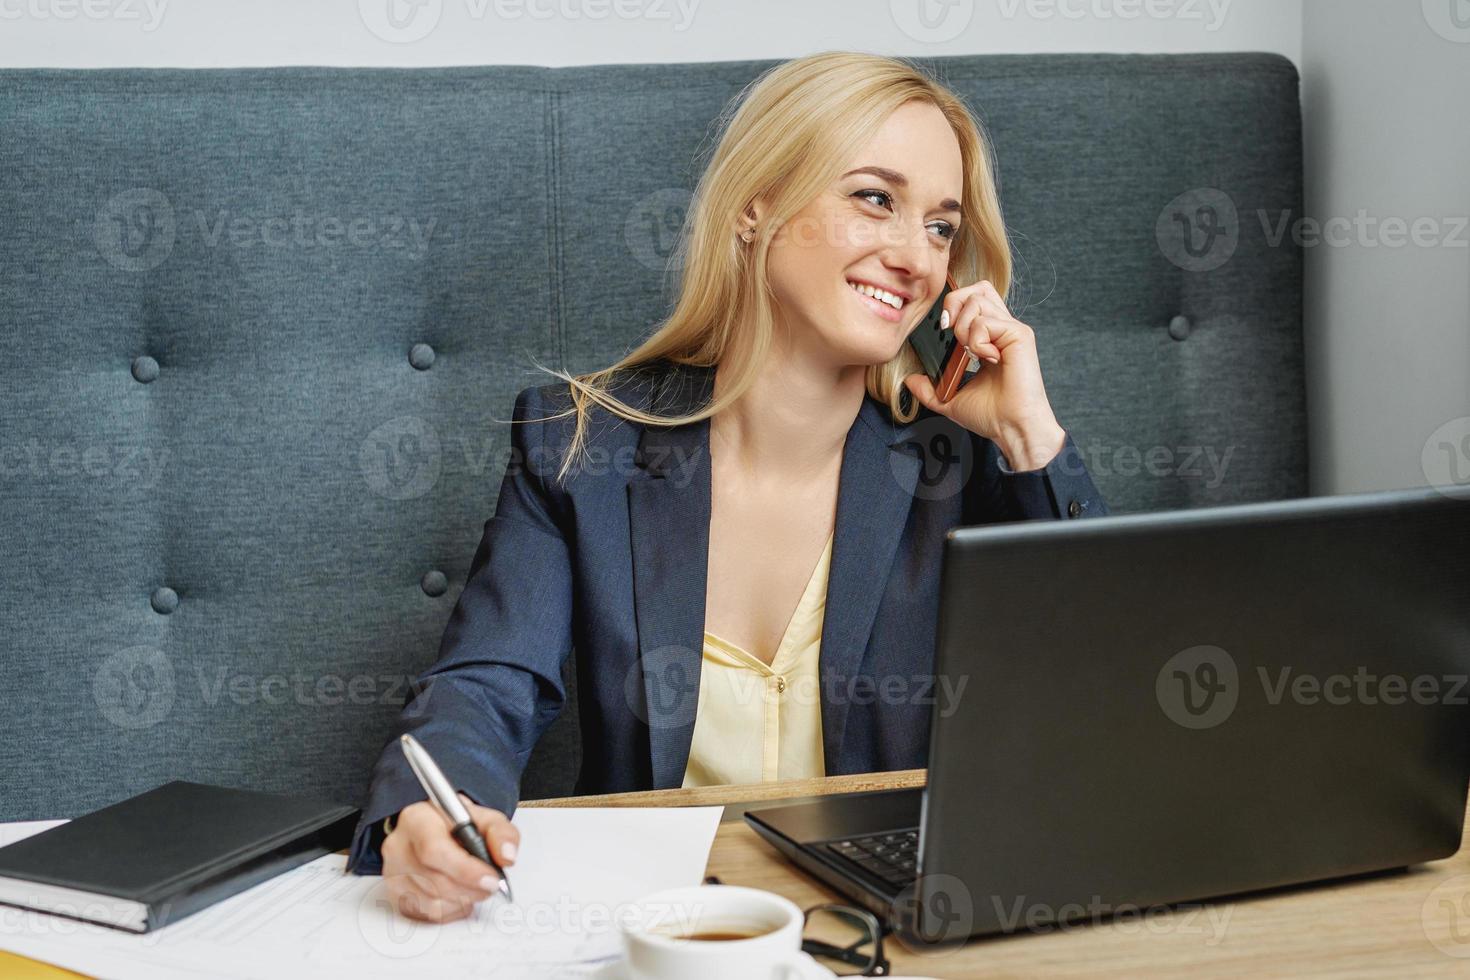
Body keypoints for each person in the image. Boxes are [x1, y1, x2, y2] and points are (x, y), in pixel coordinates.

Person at [348, 49, 1110, 923]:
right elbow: (484, 685)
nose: (914, 257)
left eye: (941, 227)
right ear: (756, 209)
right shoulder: (579, 443)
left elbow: (1107, 706)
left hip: (903, 934)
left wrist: (1026, 434)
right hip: (668, 933)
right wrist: (425, 814)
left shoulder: (966, 463)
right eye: (874, 199)